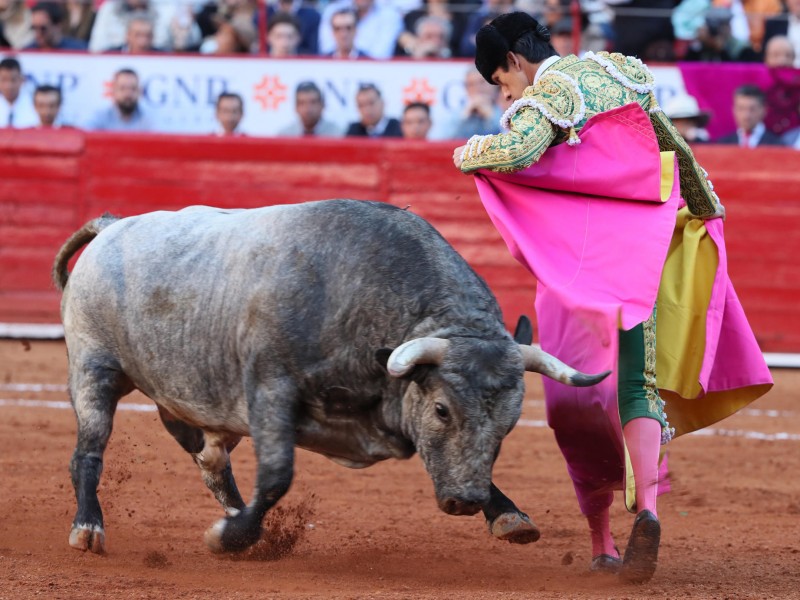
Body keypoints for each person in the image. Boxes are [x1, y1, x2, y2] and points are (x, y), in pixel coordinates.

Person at [452, 12, 771, 583]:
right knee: (635, 386)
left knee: (573, 404)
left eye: (501, 81)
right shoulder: (619, 71)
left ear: (515, 62)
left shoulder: (545, 95)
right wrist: (707, 214)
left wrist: (467, 151)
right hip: (639, 264)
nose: (506, 92)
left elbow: (520, 152)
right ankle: (646, 510)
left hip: (577, 275)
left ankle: (602, 542)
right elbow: (677, 151)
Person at [318, 0, 403, 59]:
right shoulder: (333, 10)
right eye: (338, 29)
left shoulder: (389, 15)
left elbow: (380, 57)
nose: (343, 34)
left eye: (348, 28)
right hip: (332, 68)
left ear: (356, 30)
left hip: (372, 74)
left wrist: (354, 55)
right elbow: (326, 49)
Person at [85, 68, 153, 132]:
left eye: (133, 88)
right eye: (122, 88)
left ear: (139, 92)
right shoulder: (100, 117)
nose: (128, 94)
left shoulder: (149, 119)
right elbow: (84, 137)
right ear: (113, 91)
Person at [716, 84, 783, 146]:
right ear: (734, 110)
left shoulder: (777, 145)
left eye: (752, 109)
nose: (746, 115)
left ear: (764, 110)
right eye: (741, 109)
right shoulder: (723, 144)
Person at [453, 67, 502, 138]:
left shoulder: (506, 109)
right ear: (466, 89)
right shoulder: (457, 113)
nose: (477, 88)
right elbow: (445, 141)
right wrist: (464, 117)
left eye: (482, 82)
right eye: (471, 84)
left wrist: (490, 116)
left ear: (493, 84)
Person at [0, 56, 37, 127]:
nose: (9, 86)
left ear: (22, 80)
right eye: (4, 80)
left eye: (13, 80)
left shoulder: (35, 106)